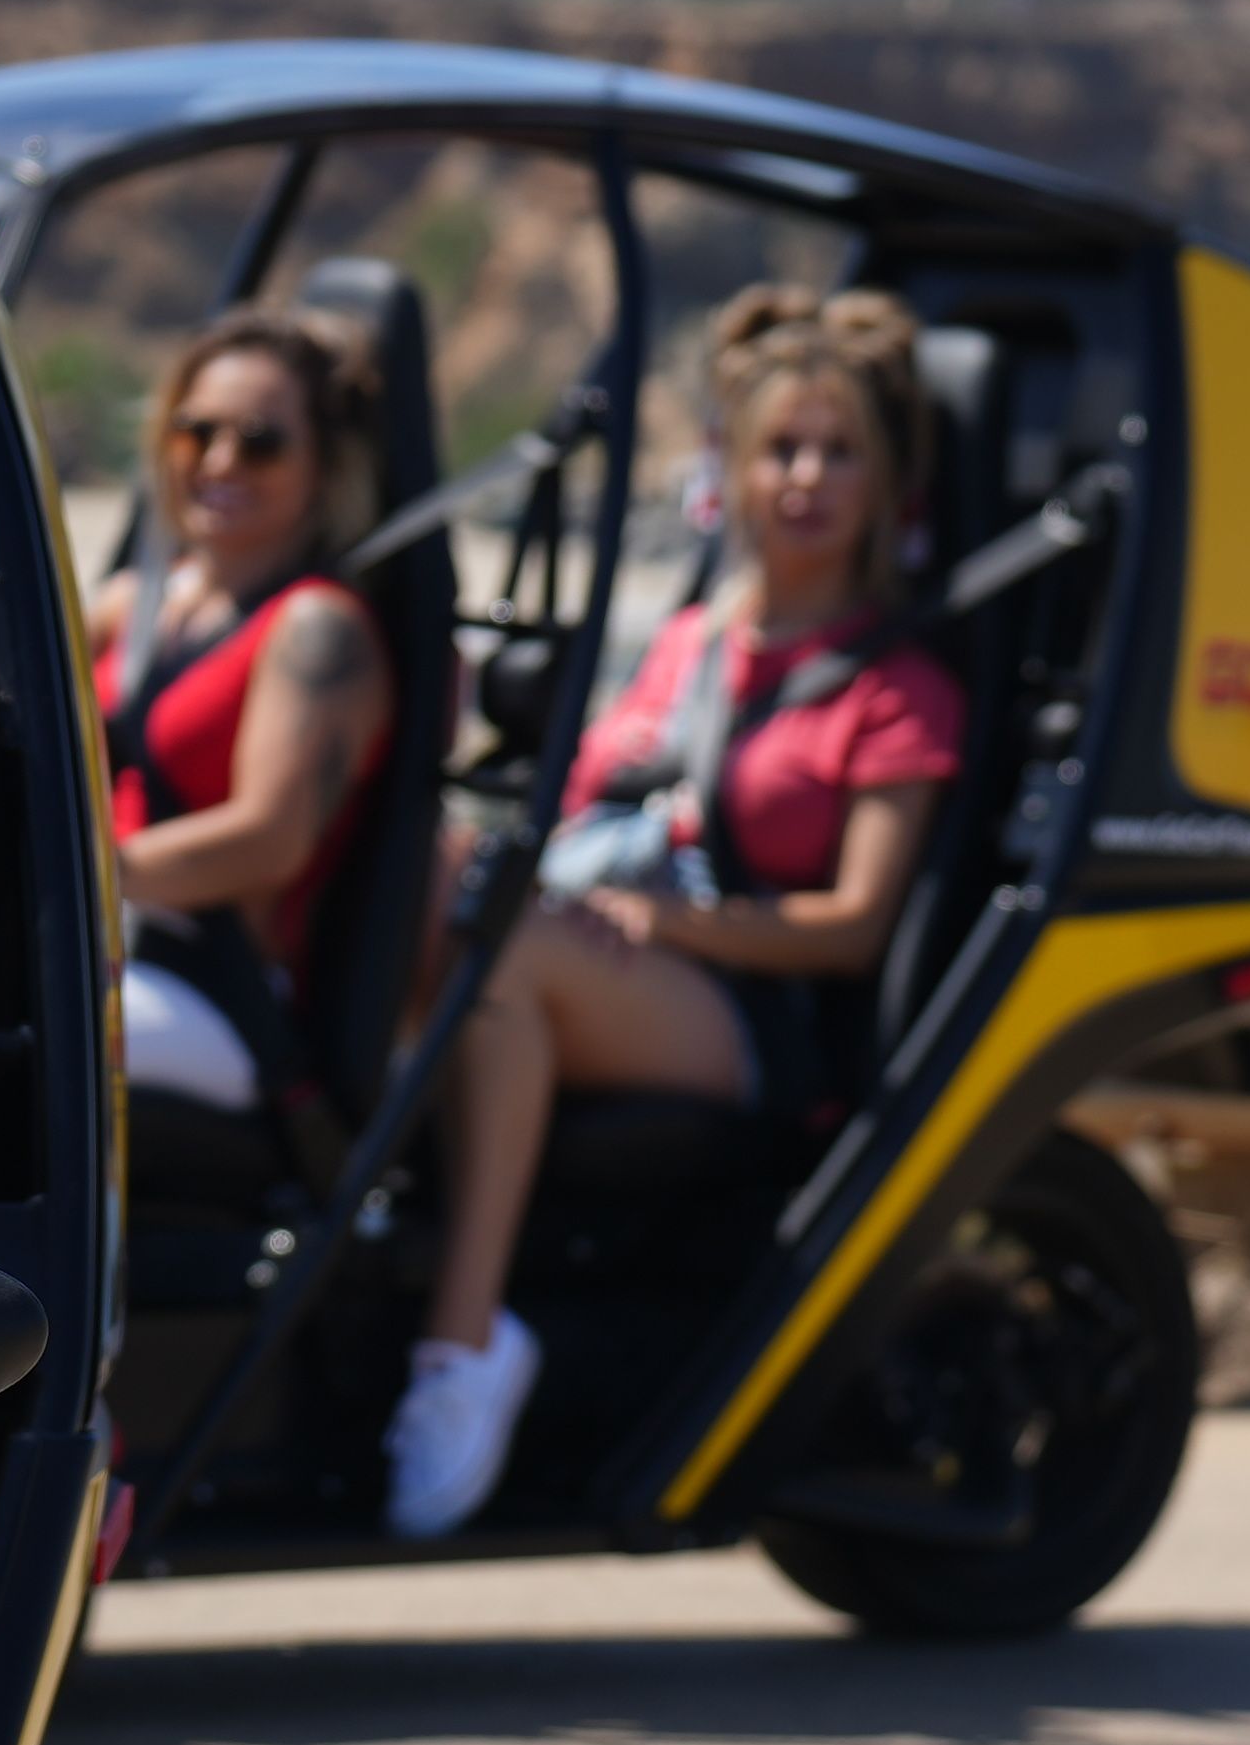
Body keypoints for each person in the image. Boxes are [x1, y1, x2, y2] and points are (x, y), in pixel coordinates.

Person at [379, 282, 968, 1541]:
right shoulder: (690, 641)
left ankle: (465, 1342)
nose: (805, 479)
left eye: (838, 454)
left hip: (757, 1012)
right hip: (612, 941)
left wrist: (670, 929)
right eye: (780, 451)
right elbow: (588, 809)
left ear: (885, 481)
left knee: (513, 970)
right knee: (413, 881)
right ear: (731, 471)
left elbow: (854, 925)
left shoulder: (895, 688)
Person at [89, 305, 398, 1115]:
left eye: (261, 441)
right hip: (103, 945)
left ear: (323, 466)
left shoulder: (316, 627)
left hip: (211, 989)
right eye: (197, 432)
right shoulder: (134, 603)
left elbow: (270, 840)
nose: (221, 460)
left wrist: (72, 875)